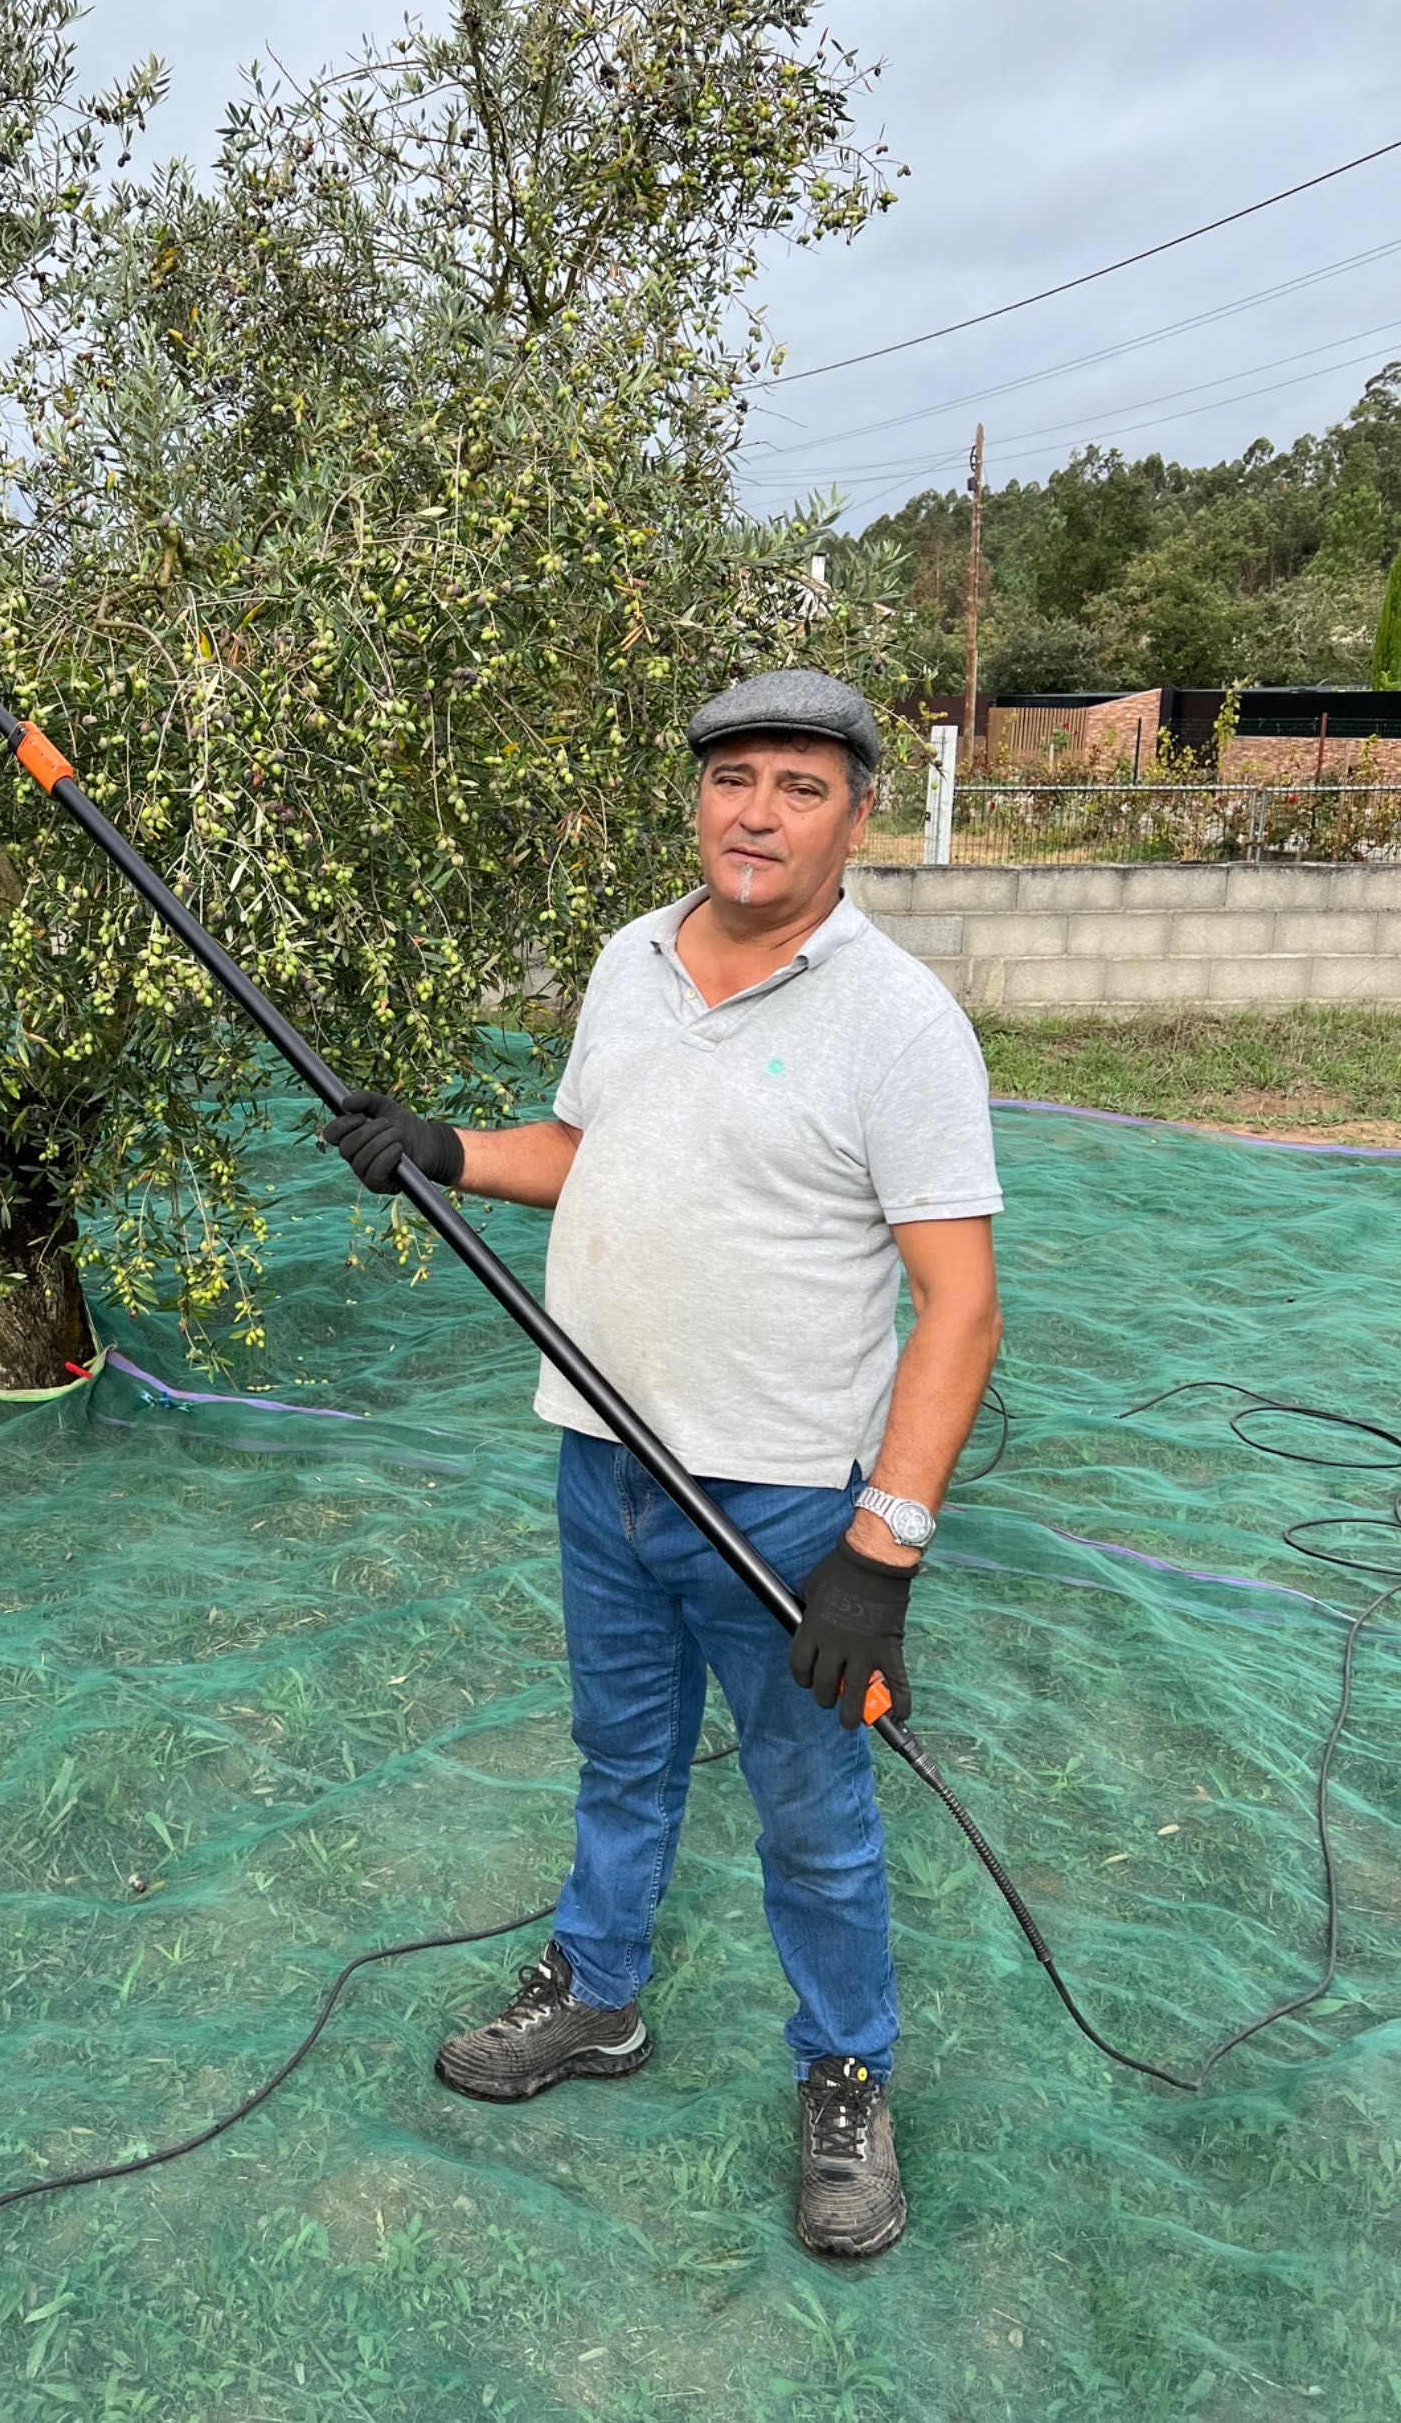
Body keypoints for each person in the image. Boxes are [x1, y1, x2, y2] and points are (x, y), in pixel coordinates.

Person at [324, 669, 1003, 2259]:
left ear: (858, 815)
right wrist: (450, 1154)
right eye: (733, 779)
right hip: (604, 1459)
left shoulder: (899, 1022)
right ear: (697, 794)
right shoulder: (631, 959)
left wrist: (881, 1553)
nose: (757, 813)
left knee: (809, 1810)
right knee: (621, 1757)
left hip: (776, 1502)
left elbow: (959, 1305)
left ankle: (845, 2070)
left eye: (801, 786)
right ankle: (599, 1994)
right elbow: (586, 1153)